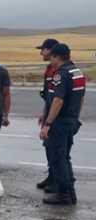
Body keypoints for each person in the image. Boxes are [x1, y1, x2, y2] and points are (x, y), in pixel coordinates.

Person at [39, 43, 85, 205]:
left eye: (51, 57)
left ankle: (63, 194)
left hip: (60, 122)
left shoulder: (61, 74)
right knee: (65, 157)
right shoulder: (77, 72)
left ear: (57, 57)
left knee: (58, 158)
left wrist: (48, 124)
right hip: (71, 120)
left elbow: (58, 100)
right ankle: (70, 193)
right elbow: (80, 99)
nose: (50, 61)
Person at [35, 38, 59, 191]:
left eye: (43, 49)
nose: (41, 52)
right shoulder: (49, 69)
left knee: (58, 150)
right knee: (49, 148)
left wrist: (49, 119)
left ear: (51, 51)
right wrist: (44, 113)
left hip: (57, 117)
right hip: (49, 113)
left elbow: (58, 98)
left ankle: (60, 181)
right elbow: (49, 96)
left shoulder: (59, 71)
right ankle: (52, 177)